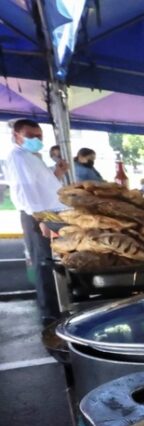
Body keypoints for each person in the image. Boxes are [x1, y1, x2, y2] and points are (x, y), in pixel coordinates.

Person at [6, 119, 69, 324]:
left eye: (39, 135)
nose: (36, 139)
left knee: (52, 262)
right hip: (38, 215)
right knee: (44, 263)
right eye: (30, 136)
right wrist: (41, 219)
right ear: (17, 136)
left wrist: (57, 173)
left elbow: (42, 186)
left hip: (49, 213)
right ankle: (50, 314)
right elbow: (25, 191)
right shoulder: (17, 157)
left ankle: (58, 305)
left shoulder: (32, 156)